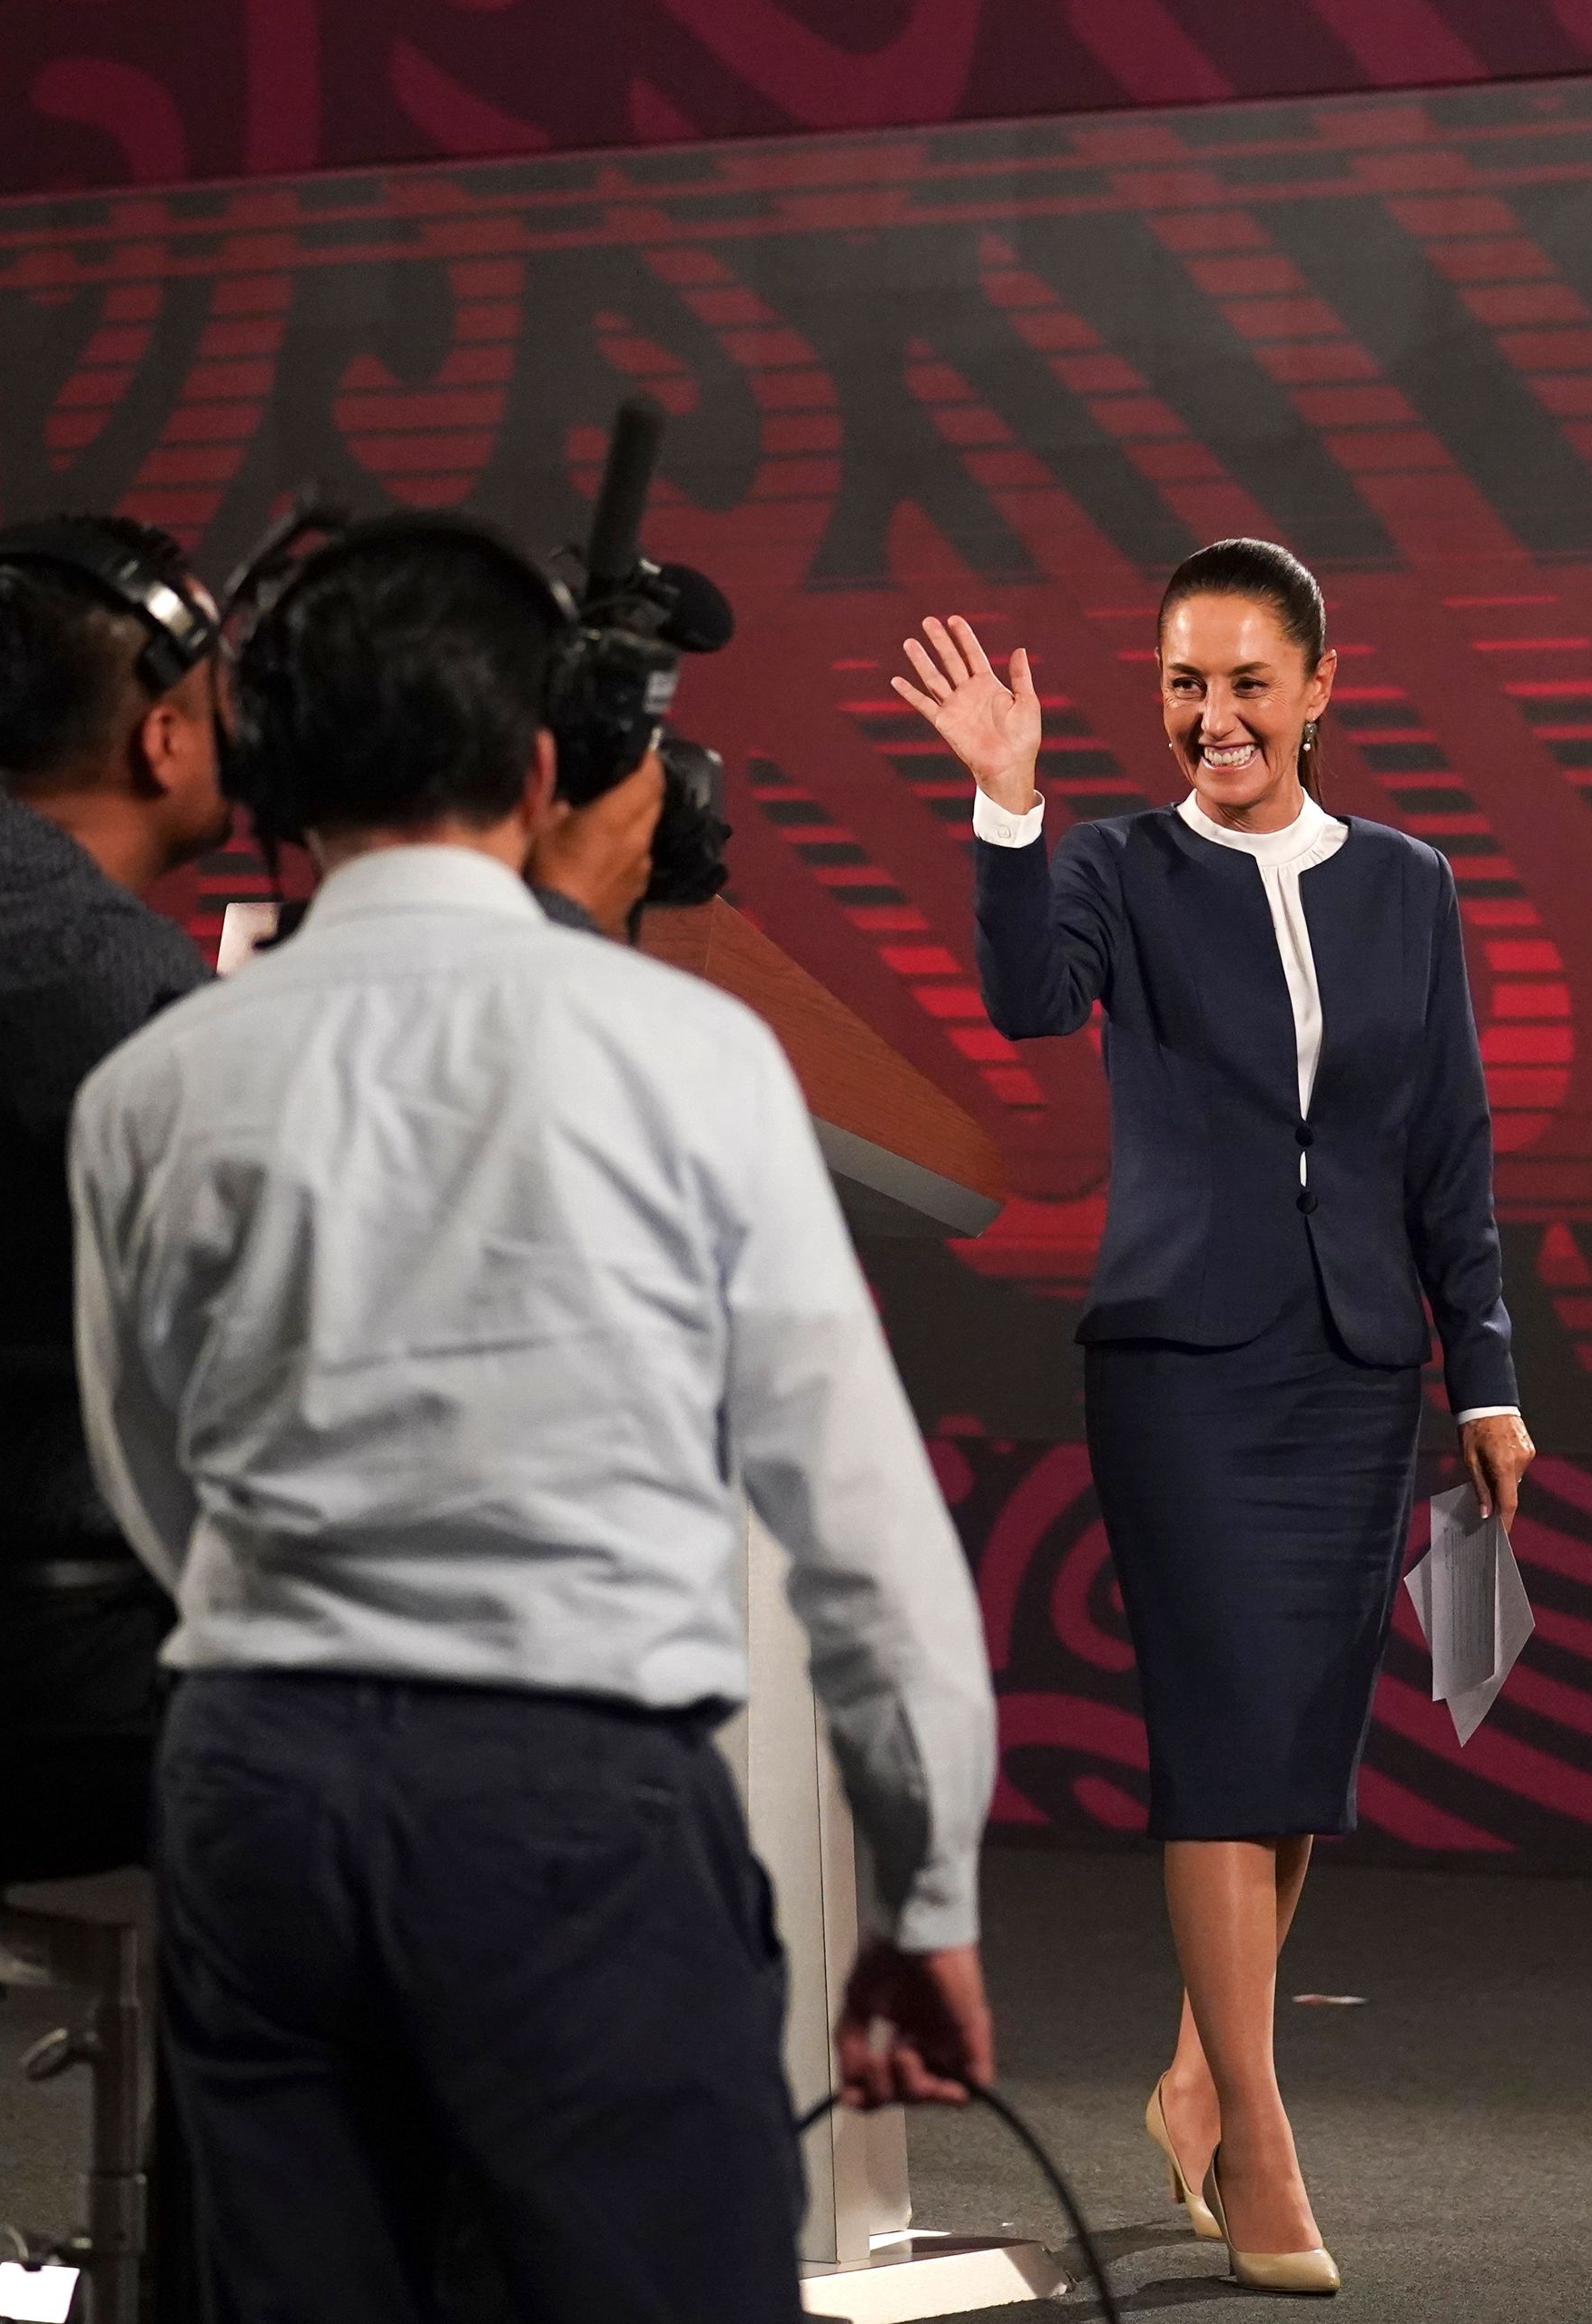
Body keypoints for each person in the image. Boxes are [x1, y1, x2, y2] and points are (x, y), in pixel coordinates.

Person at [73, 514, 997, 2321]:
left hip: (256, 1796)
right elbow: (863, 1533)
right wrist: (926, 1890)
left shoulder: (147, 1086)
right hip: (573, 1811)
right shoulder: (694, 1055)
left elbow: (155, 1478)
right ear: (543, 758)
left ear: (270, 762)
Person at [0, 509, 660, 2316]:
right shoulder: (63, 958)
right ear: (166, 731)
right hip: (31, 1661)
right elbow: (379, 1202)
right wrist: (549, 919)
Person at [891, 538, 1537, 2296]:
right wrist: (1007, 806)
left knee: (1300, 1752)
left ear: (1323, 688)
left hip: (1355, 1367)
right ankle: (1260, 2139)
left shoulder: (1412, 882)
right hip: (1179, 1366)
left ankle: (1192, 2073)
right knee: (1219, 1739)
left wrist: (1481, 1369)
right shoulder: (1114, 865)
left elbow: (1449, 1152)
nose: (1214, 714)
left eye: (1249, 680)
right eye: (1186, 681)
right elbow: (1028, 997)